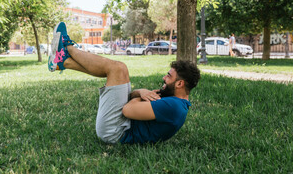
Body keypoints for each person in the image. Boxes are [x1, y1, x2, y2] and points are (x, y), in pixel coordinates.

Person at [48, 22, 201, 144]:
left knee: (118, 68)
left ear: (180, 84)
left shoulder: (173, 106)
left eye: (169, 76)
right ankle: (63, 62)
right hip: (121, 125)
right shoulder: (173, 101)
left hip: (115, 132)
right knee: (121, 71)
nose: (164, 78)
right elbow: (132, 99)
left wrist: (140, 94)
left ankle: (66, 48)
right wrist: (140, 93)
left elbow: (128, 109)